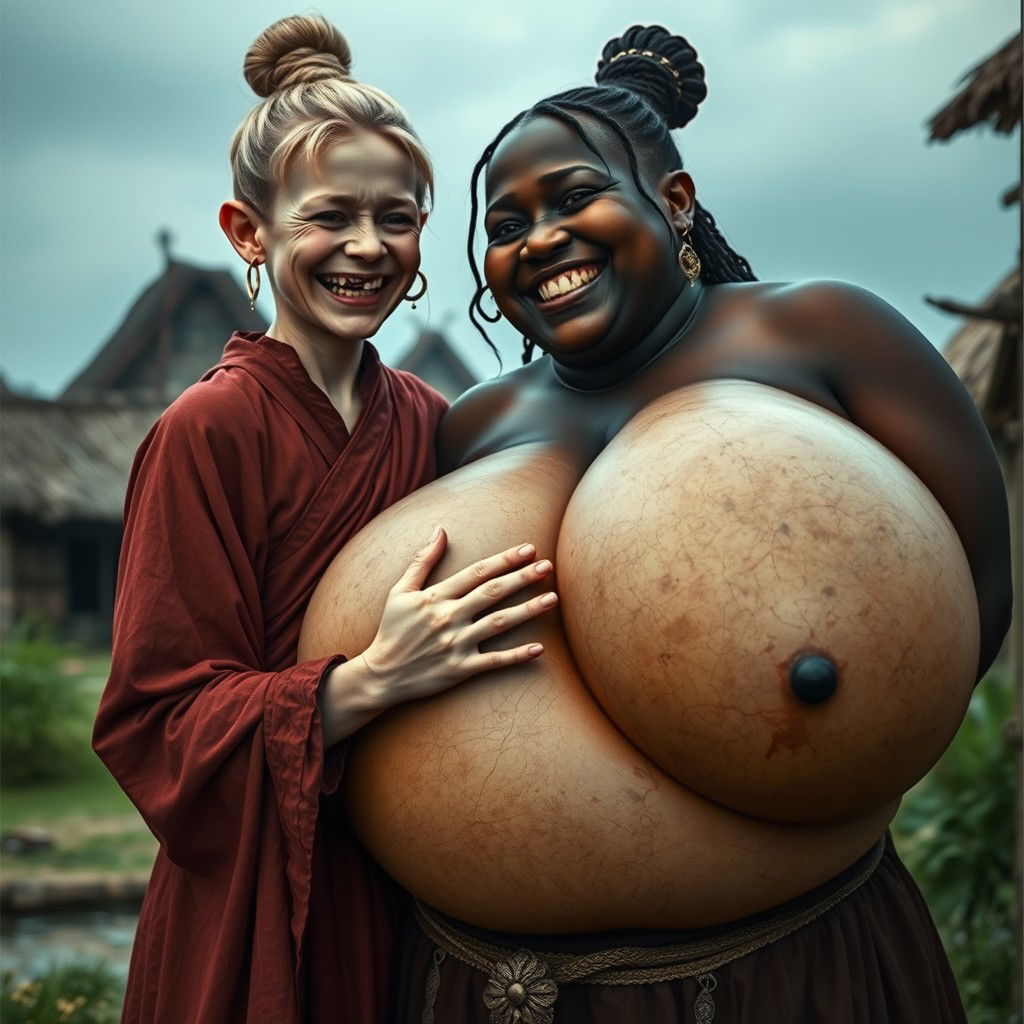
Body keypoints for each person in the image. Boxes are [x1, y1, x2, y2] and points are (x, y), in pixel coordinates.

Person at [299, 23, 1012, 1024]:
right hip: (488, 984)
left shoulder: (815, 333)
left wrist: (810, 790)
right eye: (505, 225)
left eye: (575, 197)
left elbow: (974, 585)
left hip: (781, 966)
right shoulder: (480, 423)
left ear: (673, 202)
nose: (539, 238)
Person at [92, 15, 559, 1024]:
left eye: (397, 217)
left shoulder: (434, 423)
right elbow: (155, 720)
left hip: (426, 884)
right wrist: (364, 684)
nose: (366, 247)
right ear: (247, 232)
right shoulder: (207, 430)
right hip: (262, 892)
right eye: (329, 215)